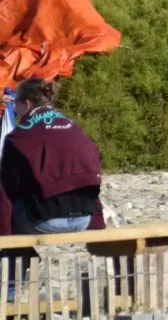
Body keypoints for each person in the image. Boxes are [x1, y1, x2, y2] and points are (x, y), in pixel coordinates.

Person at [0, 78, 102, 234]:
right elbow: (90, 179)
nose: (14, 108)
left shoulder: (19, 137)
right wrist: (99, 226)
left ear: (26, 104)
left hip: (47, 220)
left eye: (16, 103)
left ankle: (21, 256)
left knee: (15, 201)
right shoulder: (73, 127)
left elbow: (7, 191)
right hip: (85, 218)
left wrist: (4, 239)